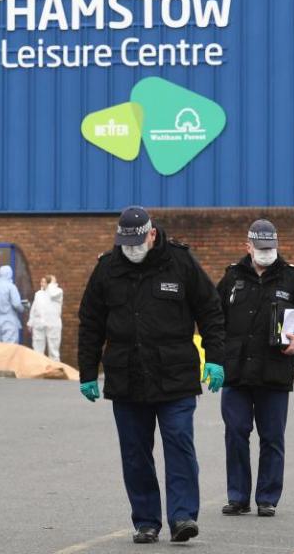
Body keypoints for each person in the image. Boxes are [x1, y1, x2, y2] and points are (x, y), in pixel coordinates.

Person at [77, 205, 226, 545]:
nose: (131, 247)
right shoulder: (107, 269)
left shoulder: (180, 262)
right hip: (126, 377)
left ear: (152, 234)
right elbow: (91, 323)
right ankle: (146, 521)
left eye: (137, 241)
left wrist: (216, 358)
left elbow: (211, 310)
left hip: (175, 377)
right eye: (125, 242)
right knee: (135, 453)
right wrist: (87, 371)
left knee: (179, 444)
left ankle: (182, 516)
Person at [215, 219, 294, 518]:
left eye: (270, 247)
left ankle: (267, 497)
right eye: (260, 248)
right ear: (247, 246)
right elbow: (214, 316)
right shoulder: (231, 278)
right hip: (236, 371)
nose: (265, 253)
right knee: (236, 432)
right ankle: (237, 496)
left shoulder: (293, 280)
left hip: (274, 370)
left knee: (272, 437)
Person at [27, 275, 64, 361]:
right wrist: (30, 323)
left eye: (45, 281)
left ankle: (55, 368)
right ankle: (39, 367)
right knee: (37, 349)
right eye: (41, 281)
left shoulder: (58, 291)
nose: (42, 283)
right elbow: (34, 309)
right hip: (39, 324)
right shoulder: (38, 294)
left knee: (53, 349)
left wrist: (52, 284)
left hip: (53, 324)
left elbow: (52, 294)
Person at [0, 264, 26, 343]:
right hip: (9, 320)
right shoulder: (11, 287)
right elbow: (16, 304)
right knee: (9, 349)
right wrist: (23, 308)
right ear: (9, 274)